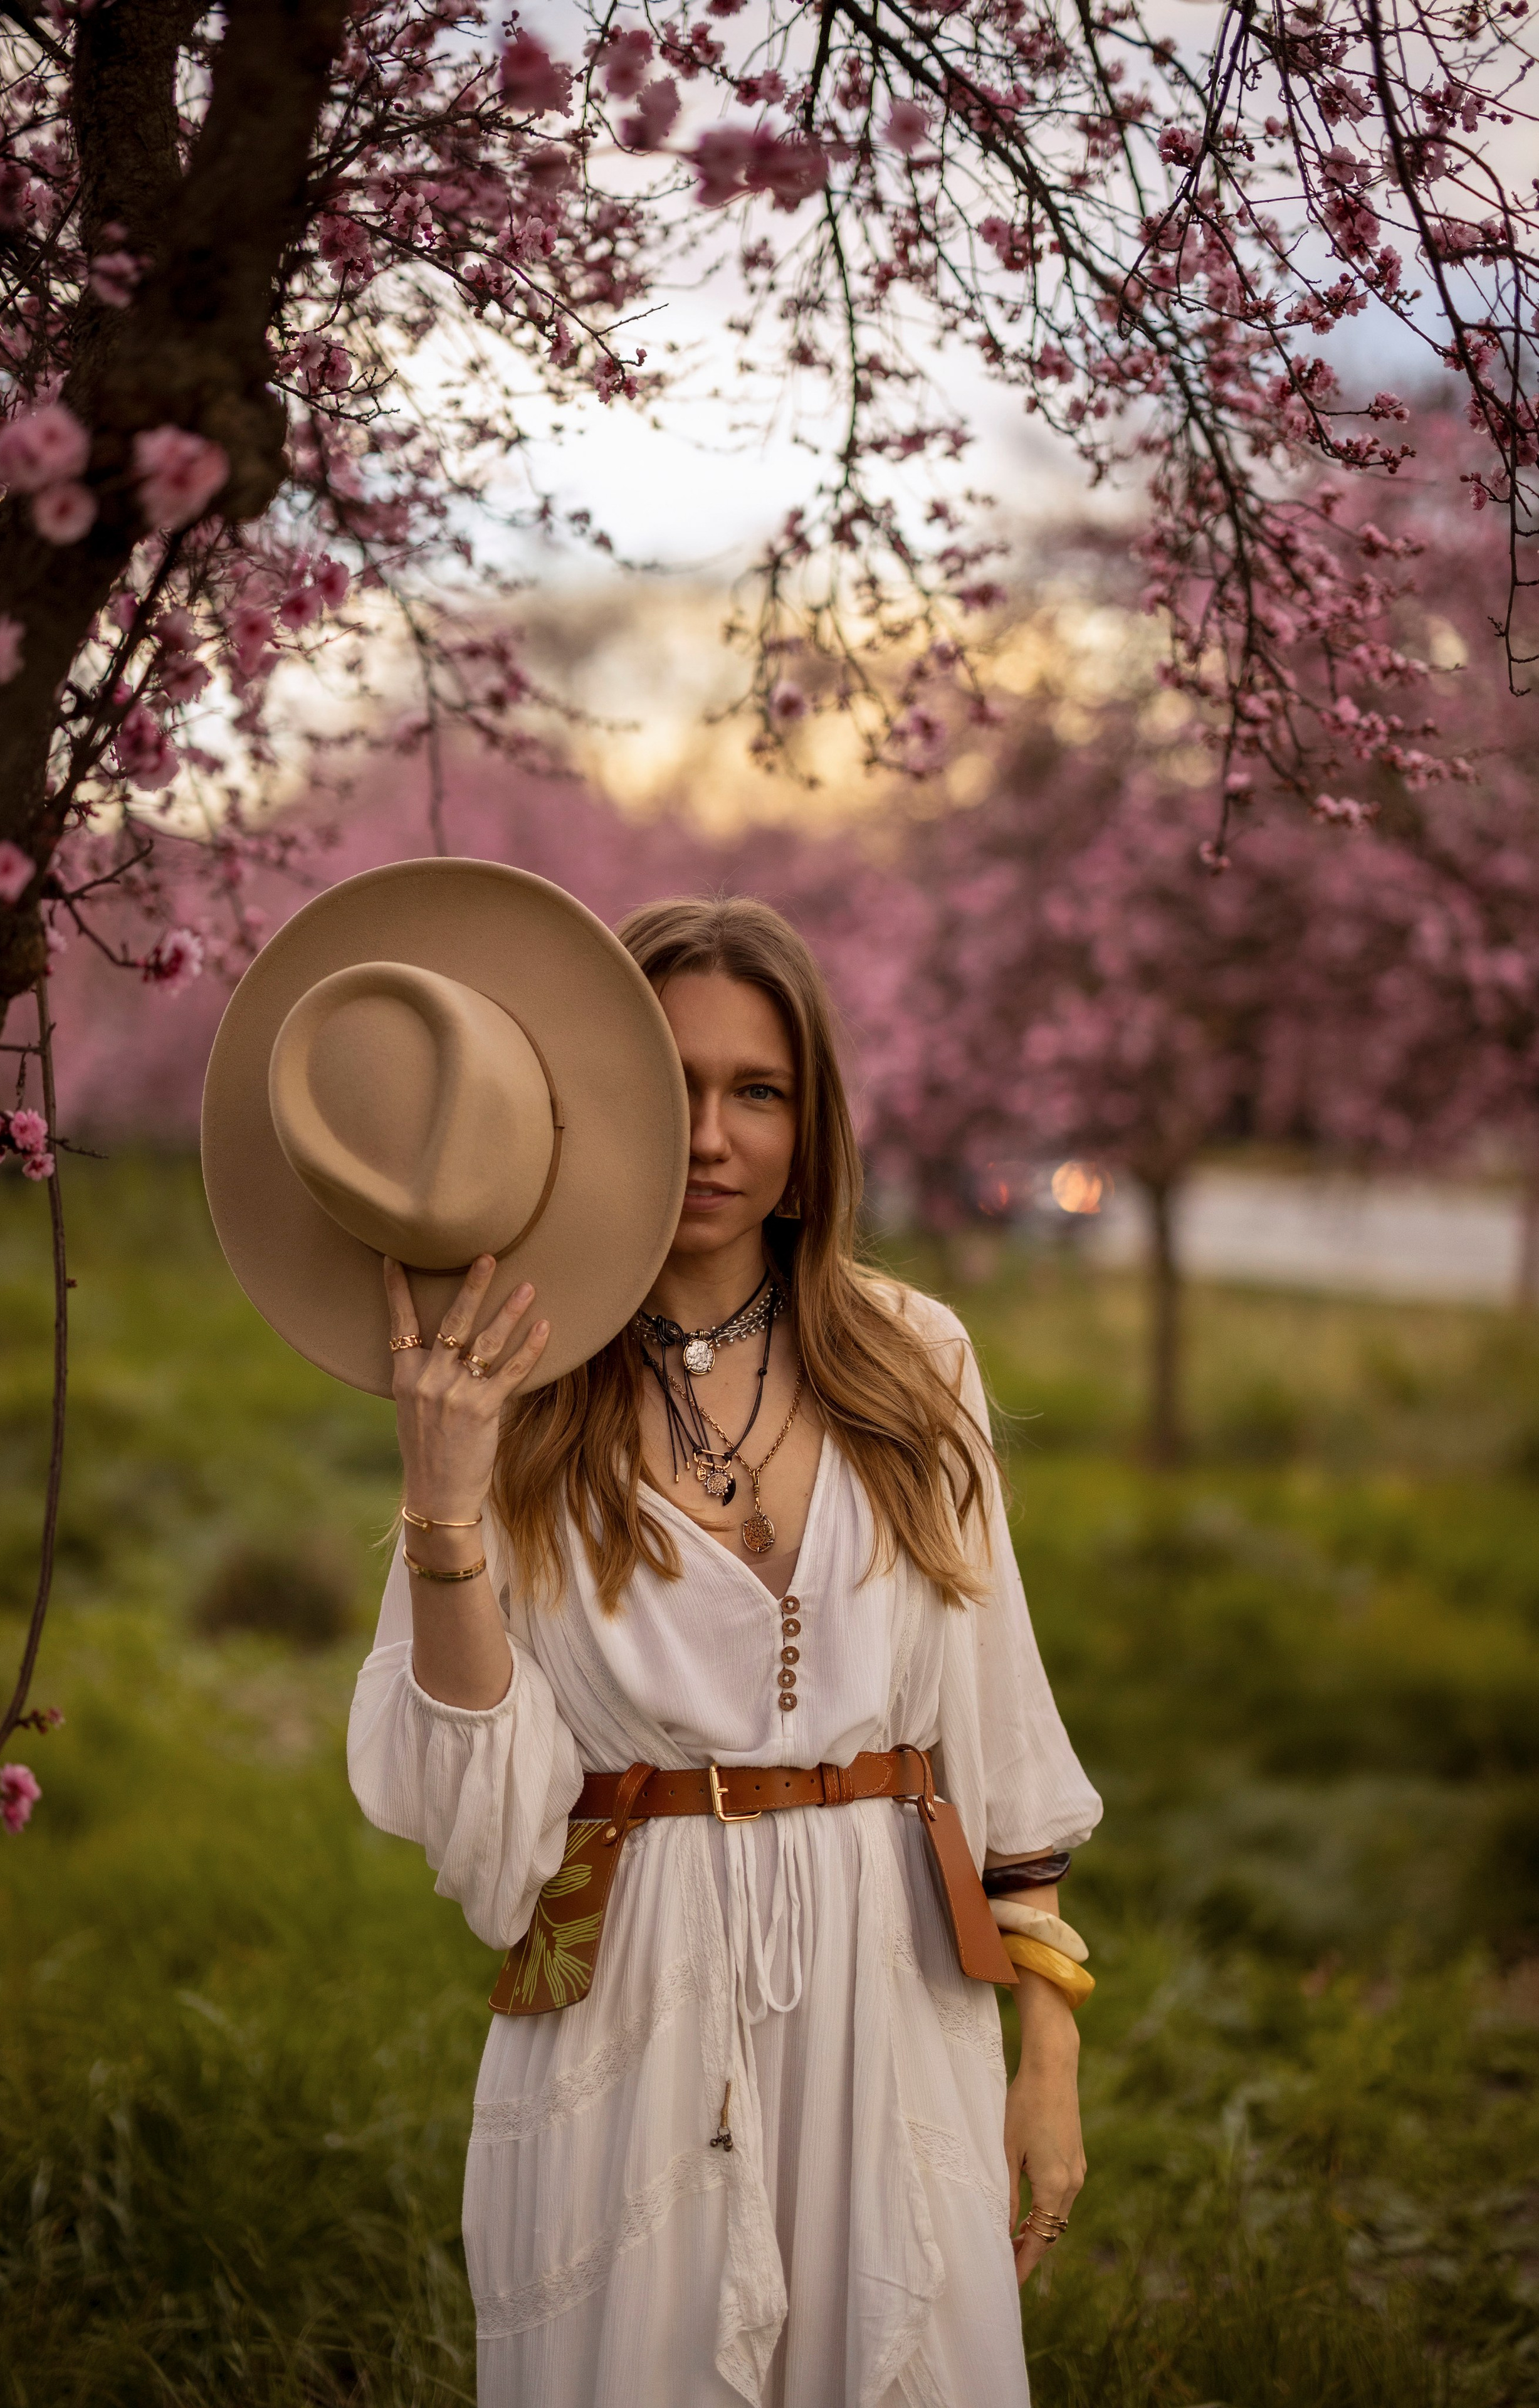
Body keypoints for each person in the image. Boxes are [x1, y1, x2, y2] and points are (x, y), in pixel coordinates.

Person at [344, 895, 1102, 2408]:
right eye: (666, 1087)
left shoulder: (915, 1360)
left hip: (891, 1991)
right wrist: (442, 1502)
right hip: (629, 2001)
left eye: (753, 1091)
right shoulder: (513, 1394)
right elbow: (489, 1840)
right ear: (586, 1109)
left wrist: (1047, 2062)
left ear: (808, 1124)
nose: (707, 1136)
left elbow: (998, 1732)